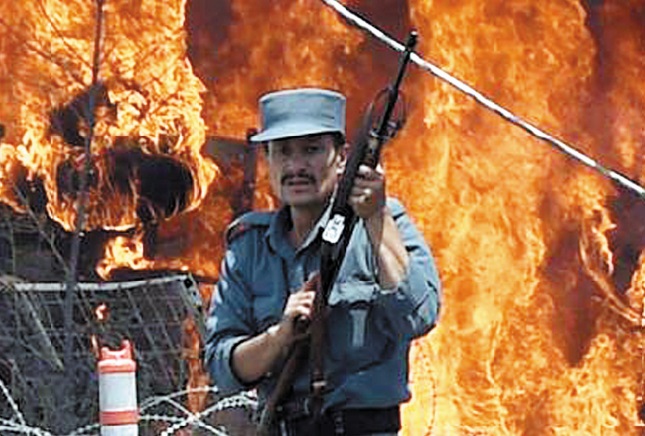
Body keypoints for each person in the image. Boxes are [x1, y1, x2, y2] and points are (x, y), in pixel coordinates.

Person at [205, 88, 441, 436]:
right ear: (267, 160)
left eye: (312, 150)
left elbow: (420, 315)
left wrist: (376, 220)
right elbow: (223, 368)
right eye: (283, 152)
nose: (296, 166)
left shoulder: (382, 225)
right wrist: (278, 336)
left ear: (342, 157)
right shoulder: (248, 248)